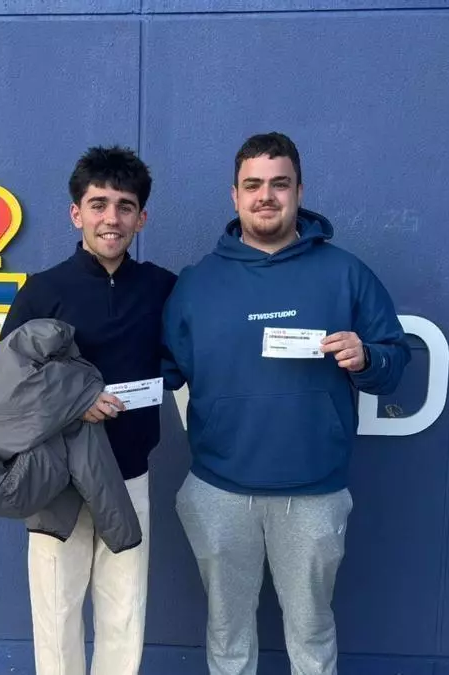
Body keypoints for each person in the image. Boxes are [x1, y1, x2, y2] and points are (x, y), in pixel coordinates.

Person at [161, 132, 411, 675]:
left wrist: (367, 356)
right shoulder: (197, 284)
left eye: (279, 184)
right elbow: (158, 369)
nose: (265, 196)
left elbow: (394, 363)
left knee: (312, 635)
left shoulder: (345, 273)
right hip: (219, 491)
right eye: (253, 185)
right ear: (235, 195)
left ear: (299, 190)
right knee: (227, 637)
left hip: (314, 492)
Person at [0, 145, 177, 675]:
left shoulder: (161, 288)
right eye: (98, 204)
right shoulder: (43, 291)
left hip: (130, 475)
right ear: (76, 213)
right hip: (60, 479)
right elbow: (5, 384)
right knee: (57, 613)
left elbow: (192, 354)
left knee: (126, 611)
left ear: (141, 218)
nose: (111, 218)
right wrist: (76, 401)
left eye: (125, 206)